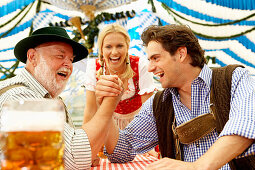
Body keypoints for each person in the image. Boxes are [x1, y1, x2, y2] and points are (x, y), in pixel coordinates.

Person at [94, 24, 255, 169]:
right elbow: (121, 151)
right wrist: (106, 105)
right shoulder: (159, 104)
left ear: (181, 54)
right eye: (149, 60)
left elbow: (245, 125)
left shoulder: (233, 78)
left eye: (156, 58)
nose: (149, 68)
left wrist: (197, 167)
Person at [0, 26, 123, 169]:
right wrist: (109, 102)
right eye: (60, 56)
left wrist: (87, 155)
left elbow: (67, 155)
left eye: (71, 59)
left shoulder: (51, 99)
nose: (68, 65)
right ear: (32, 57)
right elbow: (74, 158)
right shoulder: (18, 98)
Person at [83, 23, 156, 129]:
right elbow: (90, 111)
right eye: (108, 47)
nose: (114, 52)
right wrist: (85, 143)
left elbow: (148, 111)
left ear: (127, 47)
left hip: (139, 125)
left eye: (119, 46)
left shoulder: (140, 65)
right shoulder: (93, 67)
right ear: (101, 50)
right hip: (108, 127)